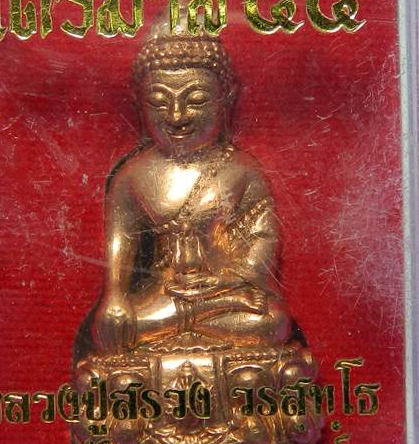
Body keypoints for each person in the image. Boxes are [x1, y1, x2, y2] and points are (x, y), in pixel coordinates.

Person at [78, 24, 300, 356]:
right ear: (140, 105)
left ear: (225, 99)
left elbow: (262, 240)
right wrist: (115, 298)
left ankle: (195, 316)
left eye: (195, 99)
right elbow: (120, 245)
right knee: (113, 330)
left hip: (225, 292)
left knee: (273, 323)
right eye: (159, 102)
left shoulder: (242, 171)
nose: (177, 115)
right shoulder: (132, 176)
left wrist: (224, 280)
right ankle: (193, 317)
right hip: (164, 297)